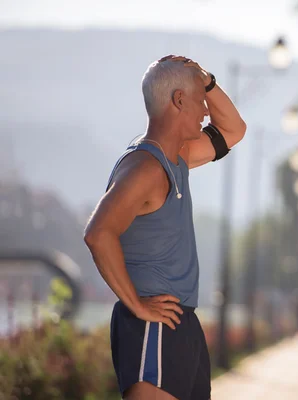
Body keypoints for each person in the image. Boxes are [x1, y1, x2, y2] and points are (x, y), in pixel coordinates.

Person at [84, 55, 246, 400]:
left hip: (180, 323)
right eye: (201, 99)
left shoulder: (178, 158)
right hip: (152, 325)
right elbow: (98, 233)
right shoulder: (145, 167)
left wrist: (208, 81)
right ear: (179, 100)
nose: (206, 111)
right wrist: (137, 306)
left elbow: (234, 130)